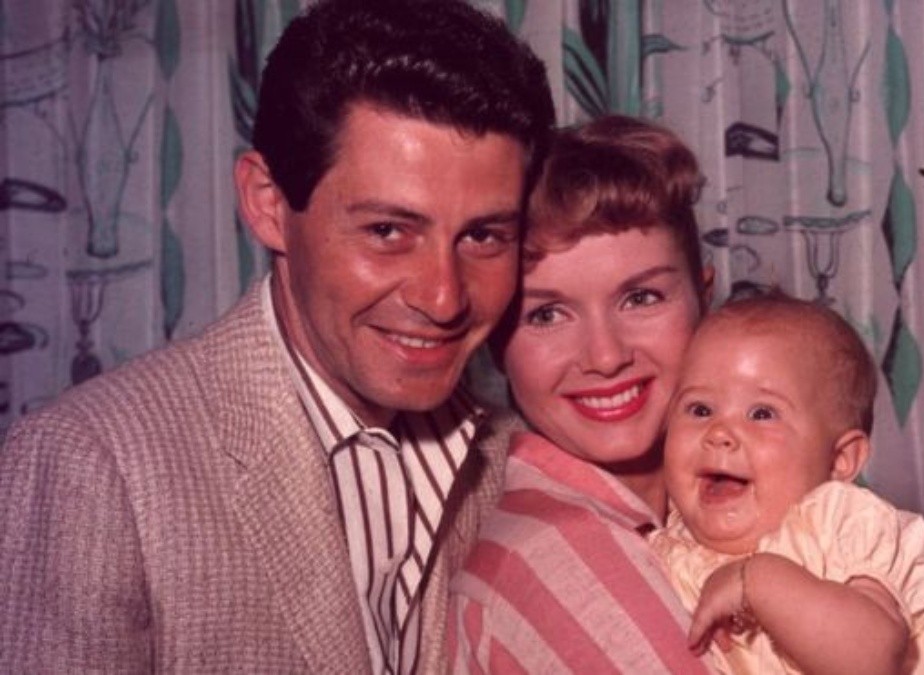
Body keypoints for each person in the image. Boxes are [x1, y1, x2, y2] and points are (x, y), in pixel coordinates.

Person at [0, 1, 554, 672]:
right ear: (266, 202)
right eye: (387, 231)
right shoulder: (91, 467)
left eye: (483, 236)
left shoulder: (518, 458)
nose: (443, 297)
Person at [446, 115, 716, 672]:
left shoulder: (715, 511)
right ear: (497, 342)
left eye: (640, 298)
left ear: (703, 300)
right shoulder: (557, 549)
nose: (606, 356)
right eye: (547, 314)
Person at [650, 293, 924, 674]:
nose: (719, 432)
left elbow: (869, 660)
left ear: (840, 460)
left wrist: (757, 580)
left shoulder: (841, 523)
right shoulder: (668, 549)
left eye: (762, 413)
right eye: (700, 409)